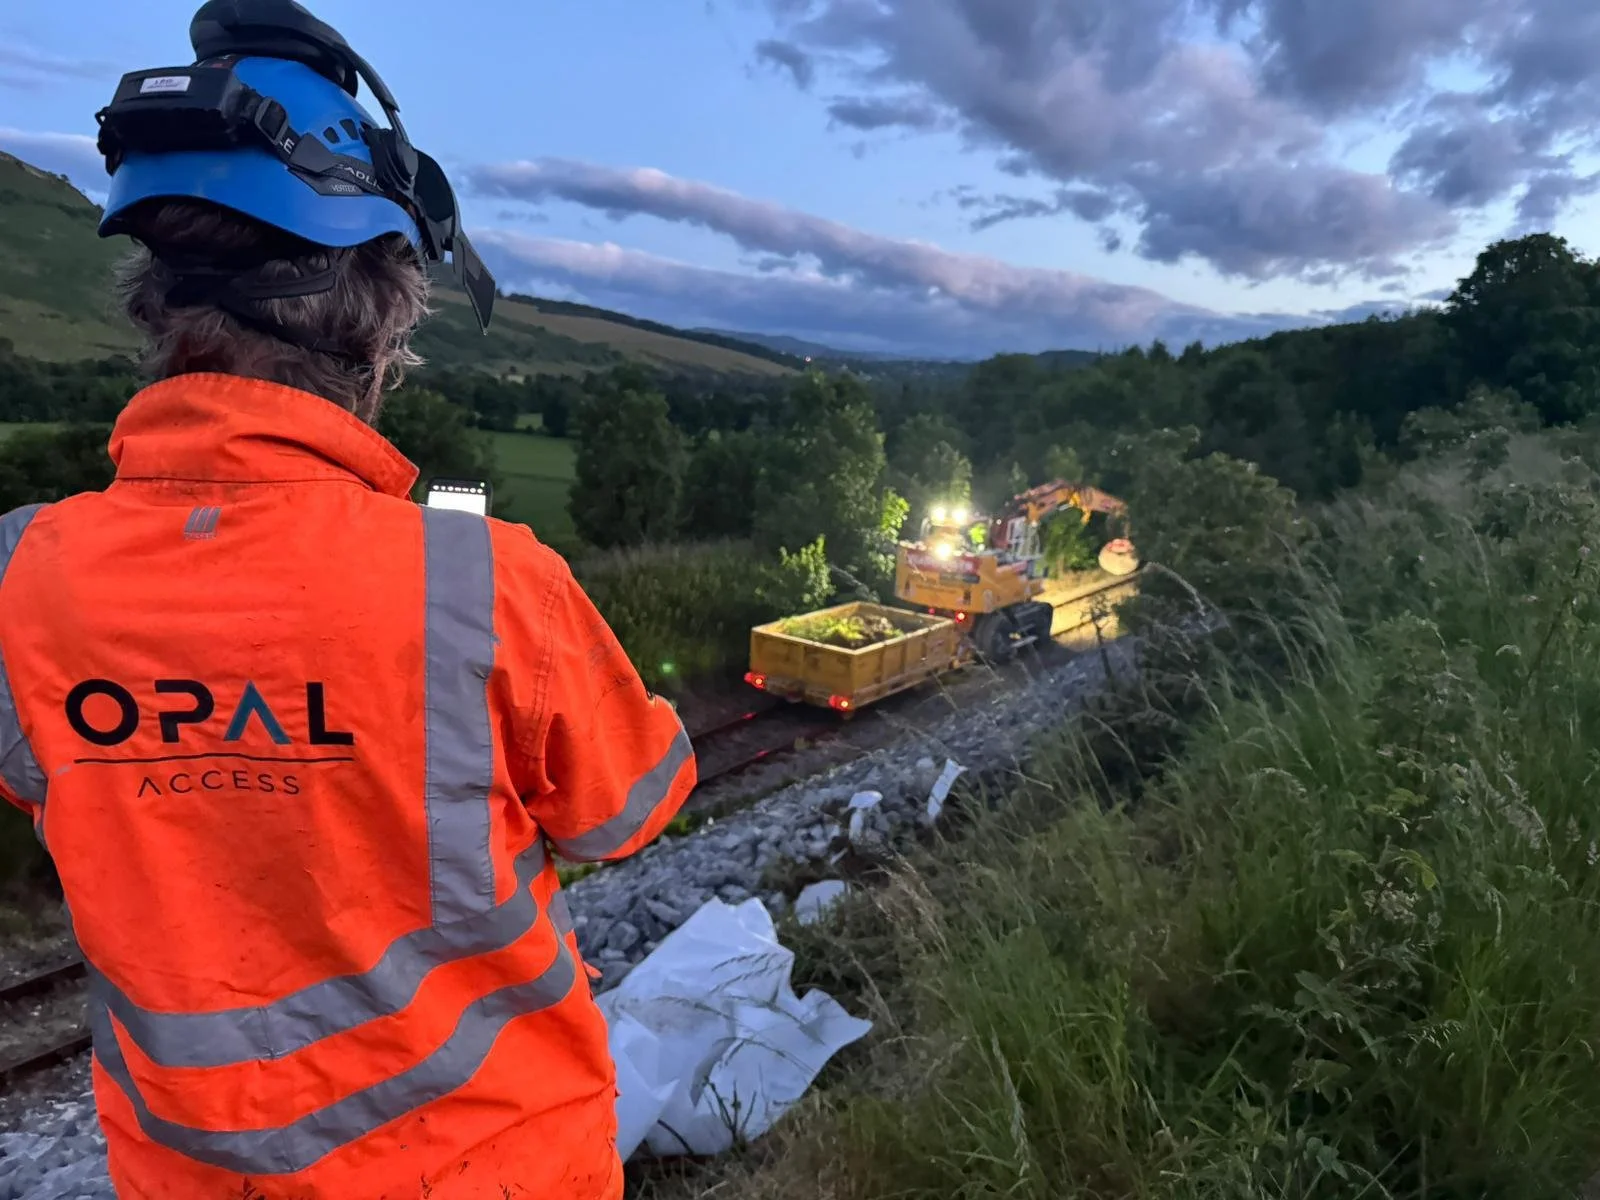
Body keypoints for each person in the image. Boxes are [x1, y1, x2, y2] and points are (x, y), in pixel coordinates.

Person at [0, 2, 696, 1196]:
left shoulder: (21, 572)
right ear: (387, 310)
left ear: (150, 298)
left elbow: (60, 778)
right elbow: (626, 811)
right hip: (491, 1169)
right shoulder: (487, 583)